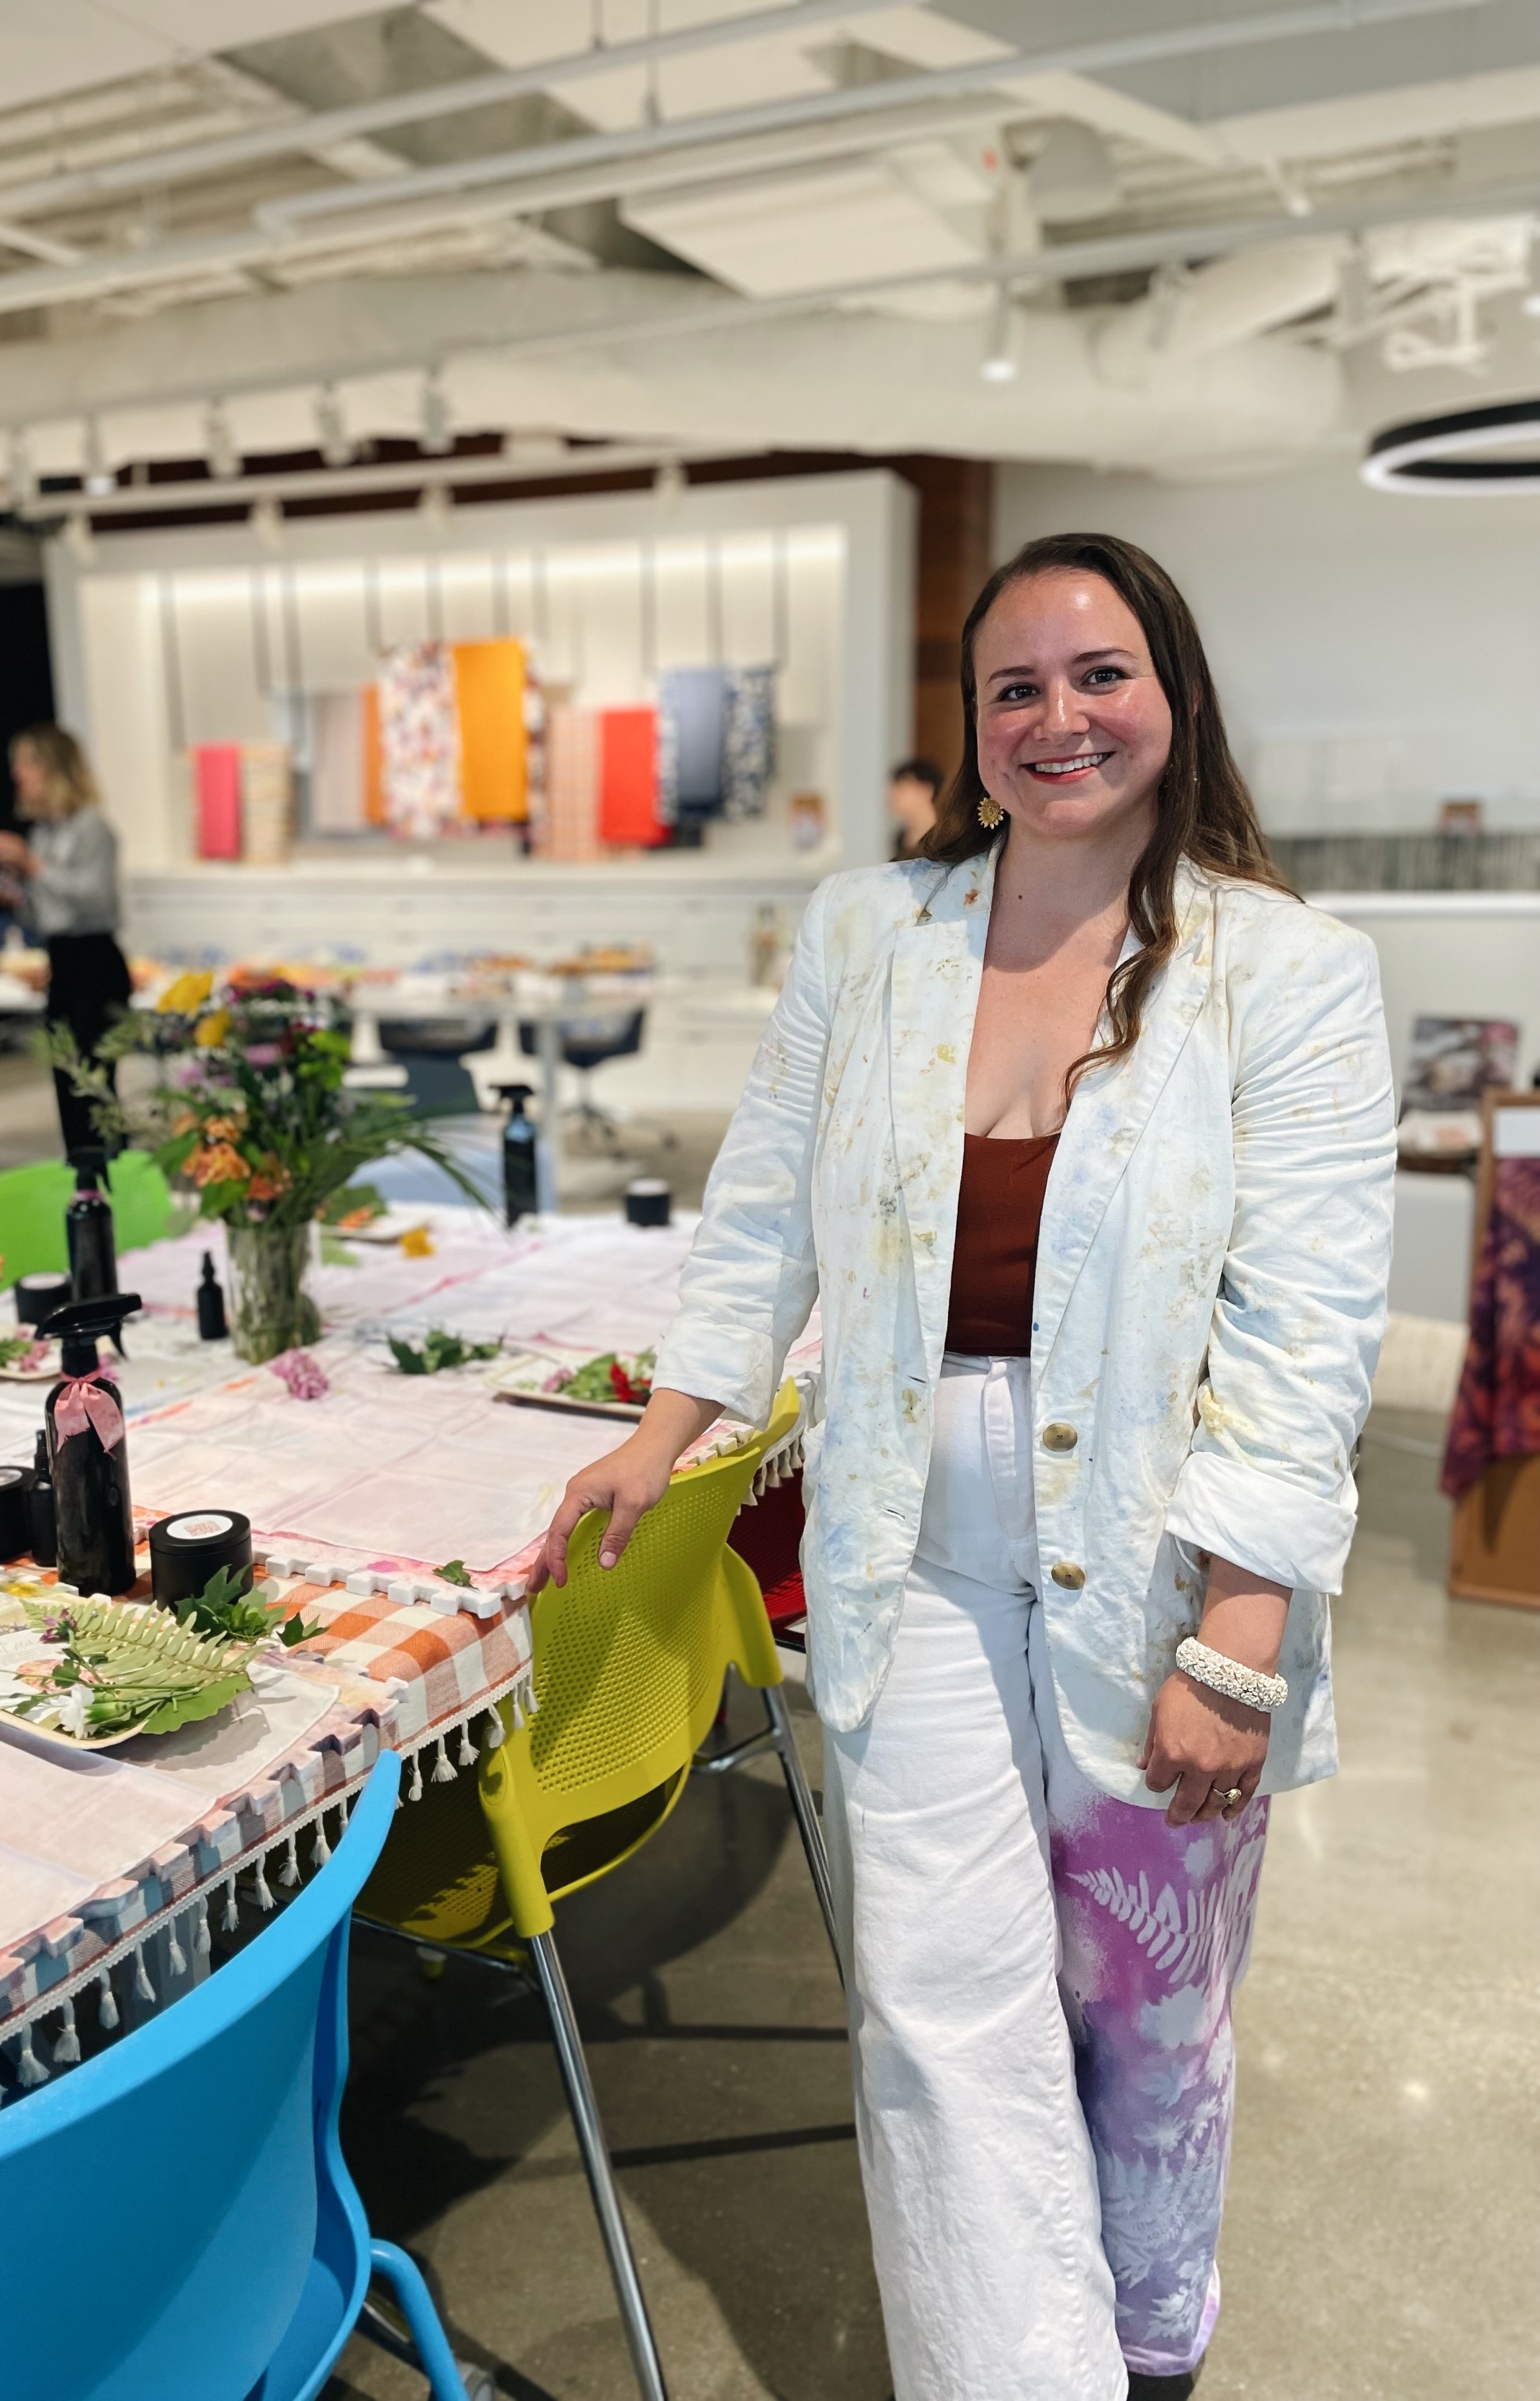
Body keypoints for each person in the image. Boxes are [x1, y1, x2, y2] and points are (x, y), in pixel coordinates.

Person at [535, 534, 1396, 2401]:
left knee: (1141, 2009)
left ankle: (1150, 2343)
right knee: (938, 2010)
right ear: (970, 725)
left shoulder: (1288, 971)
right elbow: (765, 1202)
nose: (1057, 717)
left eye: (1098, 673)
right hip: (902, 1535)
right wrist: (667, 1428)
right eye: (1013, 687)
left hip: (1160, 1547)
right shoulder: (871, 932)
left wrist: (1238, 1631)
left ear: (1169, 689)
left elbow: (1304, 1326)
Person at [0, 724, 131, 1158]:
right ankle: (83, 1177)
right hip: (62, 959)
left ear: (54, 768)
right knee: (65, 1076)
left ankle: (115, 1174)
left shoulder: (92, 828)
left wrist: (33, 867)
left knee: (94, 1078)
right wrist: (19, 892)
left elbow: (96, 896)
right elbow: (46, 914)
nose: (18, 774)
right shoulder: (45, 832)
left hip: (96, 958)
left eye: (27, 763)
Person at [887, 754, 941, 859]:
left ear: (926, 790)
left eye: (902, 786)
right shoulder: (900, 838)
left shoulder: (945, 837)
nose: (893, 794)